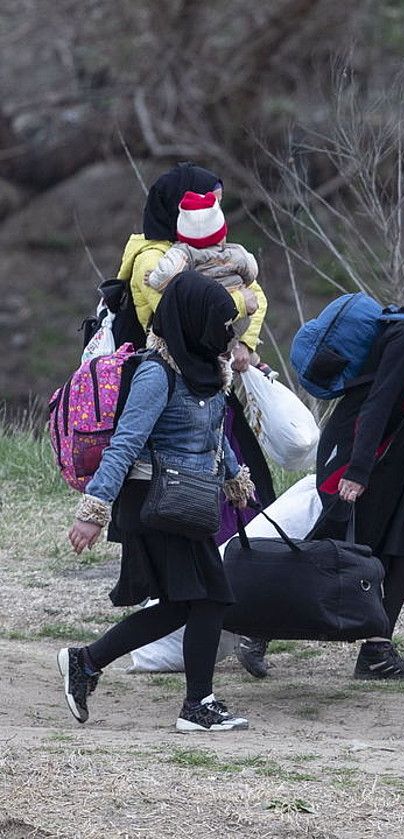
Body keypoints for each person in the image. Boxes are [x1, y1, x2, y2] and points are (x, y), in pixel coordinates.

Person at [241, 244, 404, 682]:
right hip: (364, 453)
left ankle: (378, 649)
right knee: (331, 550)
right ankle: (255, 628)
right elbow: (377, 404)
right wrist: (357, 471)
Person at [59, 272, 255, 733]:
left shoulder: (208, 369)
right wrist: (92, 511)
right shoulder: (155, 372)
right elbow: (125, 444)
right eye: (219, 323)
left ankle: (86, 662)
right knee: (212, 598)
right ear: (193, 321)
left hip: (186, 500)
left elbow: (213, 435)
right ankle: (197, 705)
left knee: (179, 604)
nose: (226, 333)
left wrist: (236, 479)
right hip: (154, 502)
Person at [116, 163, 277, 541]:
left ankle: (237, 556)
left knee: (241, 470)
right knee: (185, 483)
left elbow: (258, 297)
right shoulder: (154, 260)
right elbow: (189, 313)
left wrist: (244, 342)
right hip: (172, 386)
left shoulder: (198, 252)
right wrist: (241, 300)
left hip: (206, 378)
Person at [145, 190, 260, 349]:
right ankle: (225, 351)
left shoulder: (183, 253)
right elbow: (252, 272)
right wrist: (241, 282)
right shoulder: (236, 253)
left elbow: (166, 275)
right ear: (222, 234)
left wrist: (152, 279)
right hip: (237, 316)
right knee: (232, 334)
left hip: (202, 317)